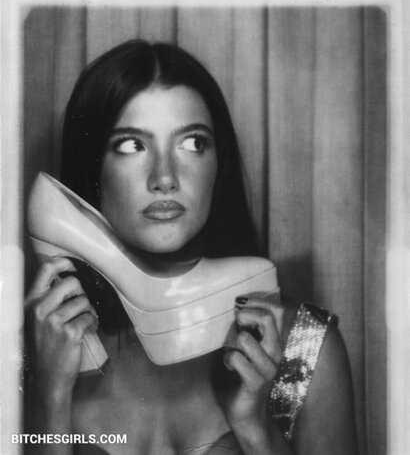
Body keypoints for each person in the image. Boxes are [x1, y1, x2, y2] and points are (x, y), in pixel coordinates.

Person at [24, 40, 358, 454]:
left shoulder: (305, 349)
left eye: (192, 143)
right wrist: (50, 399)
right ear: (93, 170)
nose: (164, 177)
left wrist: (255, 428)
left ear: (218, 166)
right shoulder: (33, 354)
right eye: (131, 145)